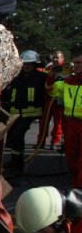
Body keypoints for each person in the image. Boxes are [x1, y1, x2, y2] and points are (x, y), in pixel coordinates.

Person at [1, 50, 46, 175]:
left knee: (17, 135)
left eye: (29, 64)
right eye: (24, 63)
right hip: (15, 112)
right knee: (13, 138)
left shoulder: (41, 77)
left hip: (30, 113)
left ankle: (17, 166)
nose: (26, 66)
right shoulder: (16, 77)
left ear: (35, 64)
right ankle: (14, 161)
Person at [48, 51, 82, 188]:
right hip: (71, 123)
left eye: (79, 63)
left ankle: (78, 188)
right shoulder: (69, 81)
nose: (75, 65)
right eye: (74, 62)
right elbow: (53, 91)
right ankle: (76, 180)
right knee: (71, 155)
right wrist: (52, 76)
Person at [42, 49, 70, 150]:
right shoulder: (49, 68)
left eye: (57, 57)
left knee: (58, 123)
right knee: (44, 121)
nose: (54, 59)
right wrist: (51, 74)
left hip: (61, 100)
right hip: (49, 99)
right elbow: (46, 83)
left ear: (62, 58)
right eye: (53, 57)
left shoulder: (67, 69)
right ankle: (41, 141)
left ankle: (55, 141)